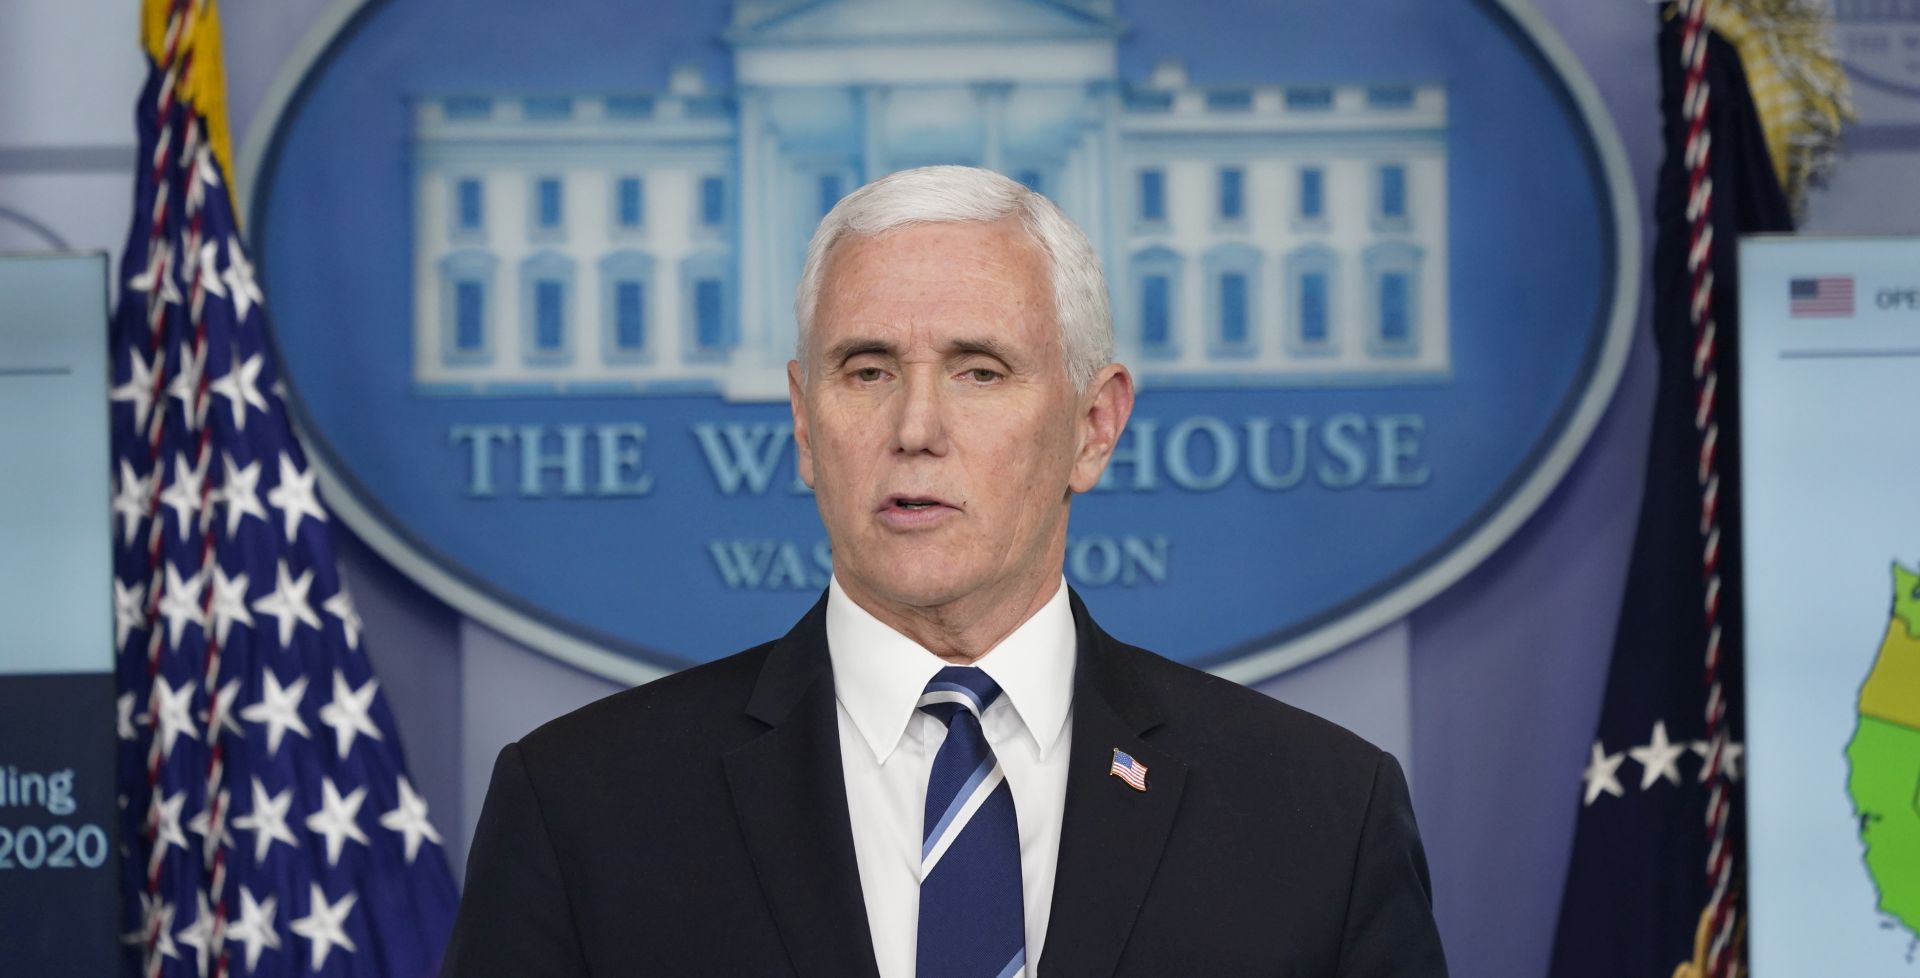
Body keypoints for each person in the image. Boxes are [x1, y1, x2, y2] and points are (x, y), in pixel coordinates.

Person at [440, 166, 1448, 978]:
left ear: (1094, 428)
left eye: (980, 371)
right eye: (867, 370)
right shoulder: (582, 807)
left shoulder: (1320, 814)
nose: (915, 429)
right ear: (803, 421)